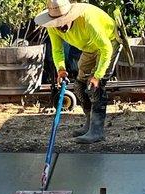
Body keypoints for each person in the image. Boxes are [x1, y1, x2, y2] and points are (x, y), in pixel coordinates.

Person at [35, 0, 132, 144]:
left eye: (64, 21)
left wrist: (97, 76)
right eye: (57, 23)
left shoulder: (87, 19)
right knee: (79, 86)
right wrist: (61, 70)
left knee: (94, 87)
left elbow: (106, 49)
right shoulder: (53, 25)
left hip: (109, 42)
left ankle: (97, 131)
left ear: (71, 16)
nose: (61, 26)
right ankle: (89, 122)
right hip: (89, 47)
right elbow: (57, 49)